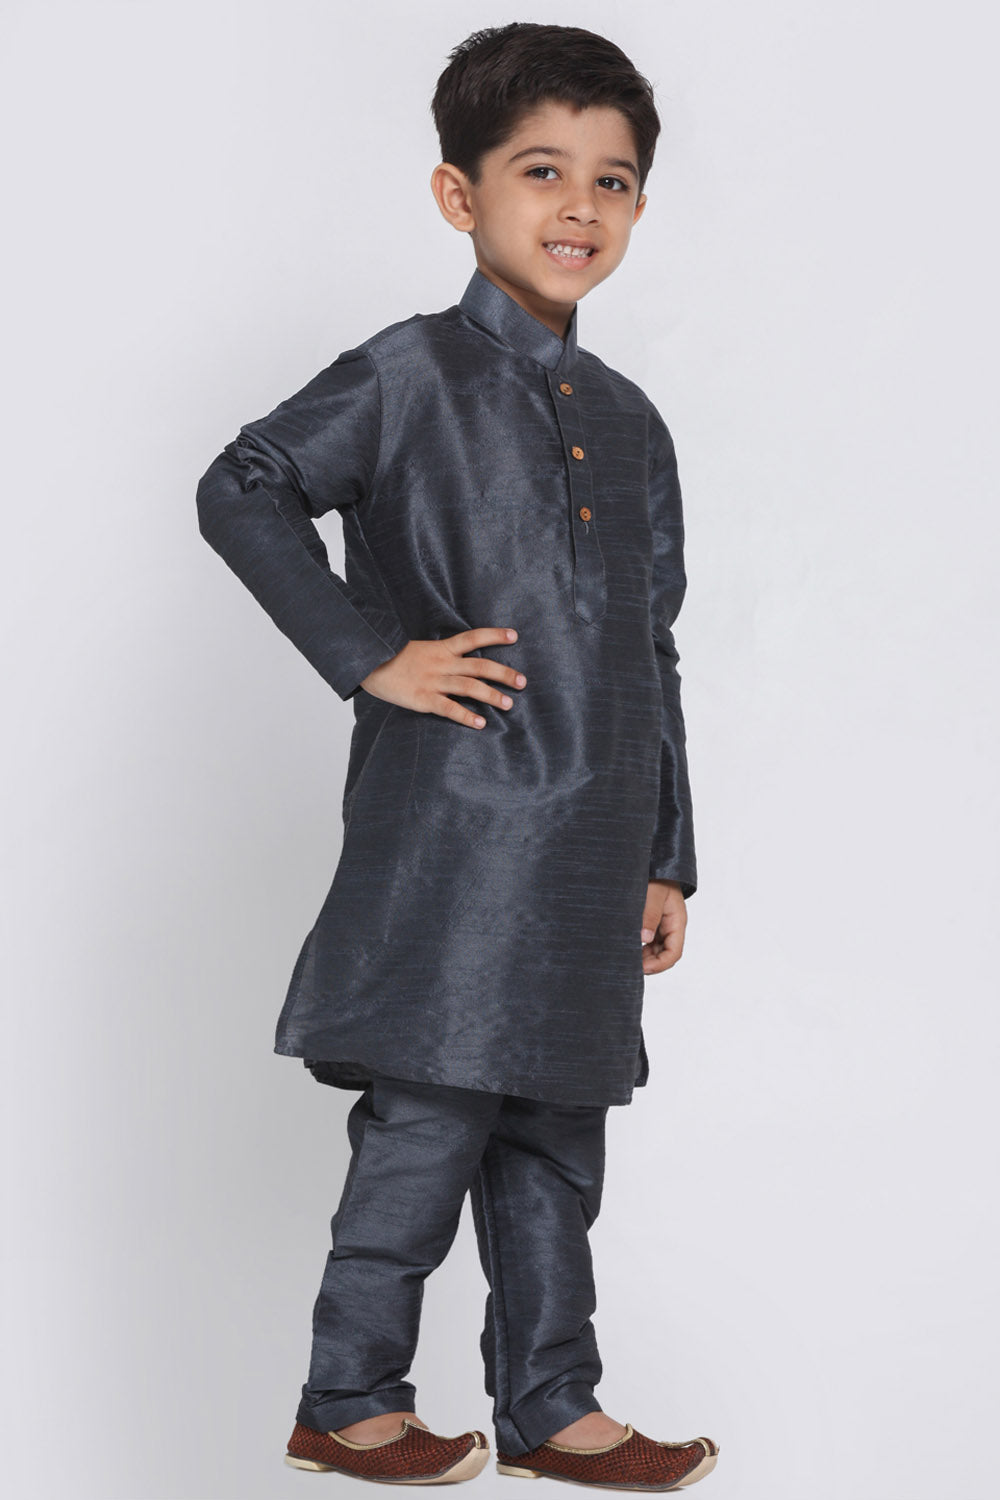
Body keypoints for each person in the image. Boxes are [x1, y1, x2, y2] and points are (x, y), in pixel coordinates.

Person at [196, 20, 718, 1491]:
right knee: (426, 1118)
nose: (579, 207)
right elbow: (243, 482)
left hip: (593, 842)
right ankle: (348, 1399)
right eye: (541, 170)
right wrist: (372, 653)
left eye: (612, 181)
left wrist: (668, 853)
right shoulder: (408, 371)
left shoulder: (630, 423)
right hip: (457, 829)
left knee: (558, 1134)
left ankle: (555, 1406)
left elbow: (652, 647)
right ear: (458, 193)